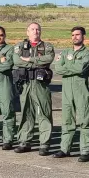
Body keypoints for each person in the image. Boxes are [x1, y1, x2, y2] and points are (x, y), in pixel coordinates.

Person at [54, 26, 89, 160]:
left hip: (81, 91)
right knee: (67, 121)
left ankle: (85, 151)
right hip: (67, 91)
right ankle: (64, 149)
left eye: (77, 35)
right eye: (72, 35)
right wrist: (72, 67)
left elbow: (82, 68)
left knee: (85, 121)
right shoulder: (65, 52)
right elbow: (57, 68)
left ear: (83, 36)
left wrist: (66, 66)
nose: (75, 37)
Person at [14, 23, 55, 154]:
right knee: (26, 113)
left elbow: (48, 59)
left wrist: (29, 60)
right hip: (26, 83)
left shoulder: (47, 46)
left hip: (40, 84)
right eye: (32, 29)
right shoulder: (19, 46)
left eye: (37, 29)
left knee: (44, 113)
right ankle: (24, 141)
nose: (35, 31)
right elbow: (16, 61)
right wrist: (36, 62)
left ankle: (44, 143)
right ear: (27, 32)